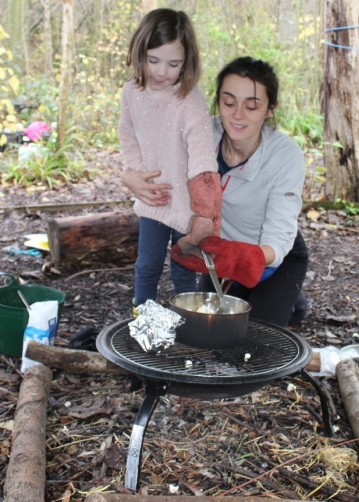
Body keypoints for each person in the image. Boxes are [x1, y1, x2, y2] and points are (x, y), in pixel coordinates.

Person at [124, 56, 308, 327]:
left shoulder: (285, 155)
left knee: (257, 339)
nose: (237, 115)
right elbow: (153, 156)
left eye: (252, 106)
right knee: (212, 329)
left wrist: (246, 257)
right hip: (217, 255)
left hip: (271, 257)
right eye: (229, 102)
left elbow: (279, 238)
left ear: (270, 109)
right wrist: (128, 176)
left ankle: (291, 299)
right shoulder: (202, 134)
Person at [118, 8, 221, 311]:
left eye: (173, 64)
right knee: (147, 264)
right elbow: (128, 135)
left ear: (186, 62)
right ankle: (144, 319)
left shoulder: (189, 98)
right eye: (154, 61)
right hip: (155, 198)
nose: (162, 72)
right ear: (140, 53)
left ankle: (187, 320)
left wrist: (205, 210)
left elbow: (202, 154)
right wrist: (140, 177)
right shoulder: (131, 92)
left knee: (184, 266)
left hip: (188, 203)